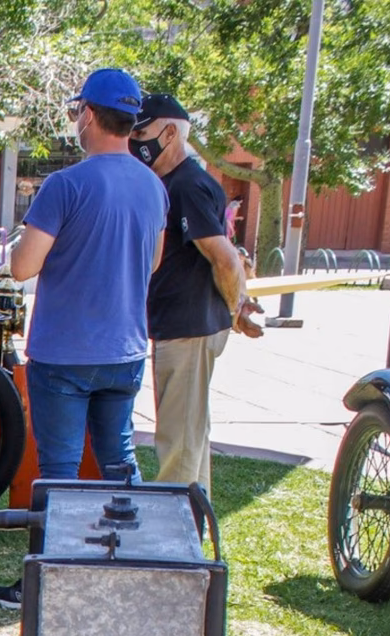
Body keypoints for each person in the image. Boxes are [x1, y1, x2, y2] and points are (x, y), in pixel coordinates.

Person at [0, 68, 166, 607]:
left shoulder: (65, 185)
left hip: (65, 353)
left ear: (88, 115)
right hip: (126, 348)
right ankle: (130, 567)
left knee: (60, 473)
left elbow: (22, 266)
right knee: (119, 463)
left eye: (76, 113)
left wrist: (18, 249)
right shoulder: (153, 185)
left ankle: (46, 583)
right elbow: (153, 262)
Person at [131, 92, 263, 492]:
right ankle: (192, 531)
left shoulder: (188, 184)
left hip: (189, 330)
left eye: (142, 130)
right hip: (178, 328)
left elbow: (223, 257)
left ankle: (176, 544)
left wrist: (237, 308)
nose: (135, 140)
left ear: (169, 132)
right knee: (189, 439)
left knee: (178, 446)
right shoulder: (176, 183)